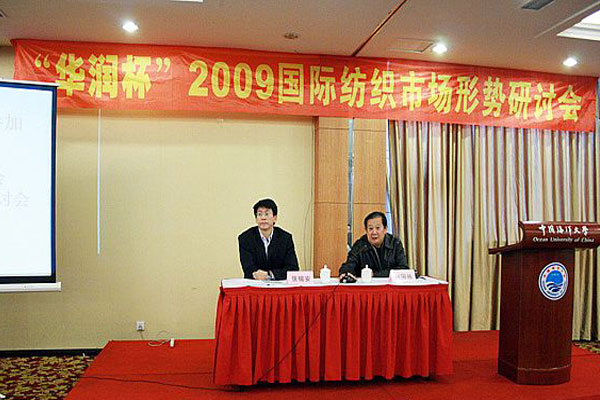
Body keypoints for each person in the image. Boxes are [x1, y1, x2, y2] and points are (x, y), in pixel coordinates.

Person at [238, 198, 299, 280]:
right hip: (254, 284)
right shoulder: (245, 238)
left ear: (275, 218)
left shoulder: (285, 238)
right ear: (256, 219)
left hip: (279, 284)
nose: (263, 218)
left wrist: (270, 275)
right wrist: (257, 274)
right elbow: (248, 268)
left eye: (267, 214)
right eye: (259, 214)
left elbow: (293, 268)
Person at [339, 211, 409, 278]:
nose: (374, 232)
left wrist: (375, 274)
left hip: (390, 285)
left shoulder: (395, 244)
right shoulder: (360, 245)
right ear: (366, 230)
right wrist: (345, 273)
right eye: (370, 228)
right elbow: (349, 264)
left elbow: (403, 269)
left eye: (378, 228)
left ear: (385, 229)